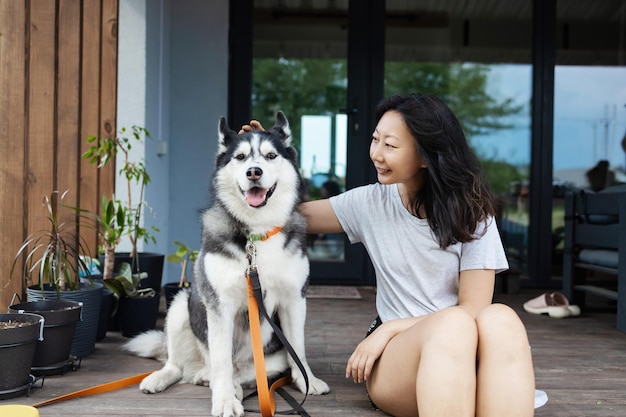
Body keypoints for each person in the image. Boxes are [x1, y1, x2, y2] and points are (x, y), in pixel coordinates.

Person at [241, 93, 536, 417]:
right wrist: (263, 163)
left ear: (425, 156)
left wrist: (387, 329)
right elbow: (284, 216)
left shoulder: (473, 213)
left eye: (390, 146)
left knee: (501, 319)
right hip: (399, 360)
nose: (376, 154)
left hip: (438, 346)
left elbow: (473, 310)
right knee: (453, 326)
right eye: (375, 140)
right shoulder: (371, 203)